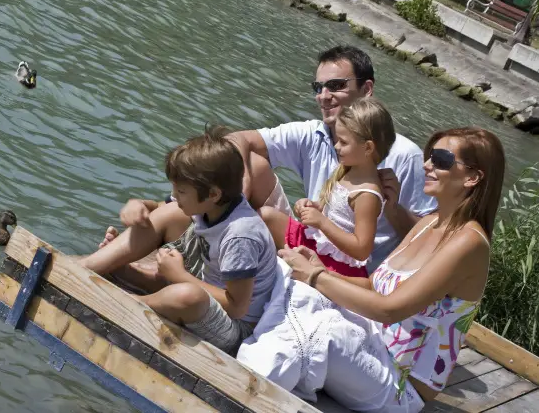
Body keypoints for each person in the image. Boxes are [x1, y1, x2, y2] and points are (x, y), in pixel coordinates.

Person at [84, 45, 436, 278]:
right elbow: (240, 139)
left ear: (367, 89)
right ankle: (162, 237)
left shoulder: (403, 156)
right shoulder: (315, 133)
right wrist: (237, 189)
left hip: (352, 267)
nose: (324, 96)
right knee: (251, 161)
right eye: (318, 87)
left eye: (336, 85)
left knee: (210, 206)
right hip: (311, 234)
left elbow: (429, 242)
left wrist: (391, 210)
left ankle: (117, 262)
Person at [237, 127, 504, 413]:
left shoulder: (469, 243)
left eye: (440, 159)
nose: (426, 165)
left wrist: (318, 277)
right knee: (297, 288)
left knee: (325, 332)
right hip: (371, 341)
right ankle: (246, 378)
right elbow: (374, 286)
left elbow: (389, 310)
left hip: (399, 385)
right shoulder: (430, 221)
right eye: (429, 156)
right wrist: (318, 269)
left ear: (472, 177)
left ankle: (242, 390)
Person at [91, 126, 278, 354]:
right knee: (172, 212)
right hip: (209, 282)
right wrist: (140, 205)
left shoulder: (241, 236)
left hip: (235, 328)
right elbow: (163, 208)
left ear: (213, 194)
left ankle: (125, 301)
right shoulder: (215, 204)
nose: (174, 195)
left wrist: (180, 276)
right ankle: (101, 268)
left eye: (181, 191)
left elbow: (238, 307)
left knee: (188, 296)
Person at [261, 97, 396, 278]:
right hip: (318, 242)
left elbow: (361, 249)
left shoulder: (367, 194)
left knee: (266, 217)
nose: (336, 146)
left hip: (335, 263)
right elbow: (339, 212)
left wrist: (322, 222)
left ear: (368, 147)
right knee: (265, 215)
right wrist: (315, 207)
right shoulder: (348, 170)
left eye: (344, 142)